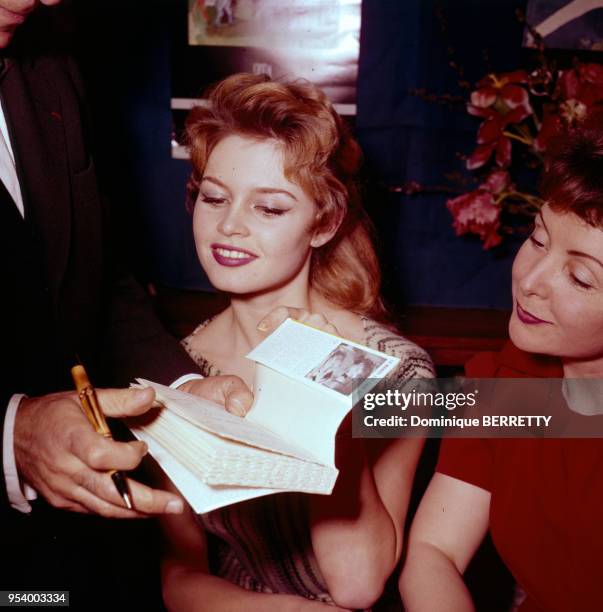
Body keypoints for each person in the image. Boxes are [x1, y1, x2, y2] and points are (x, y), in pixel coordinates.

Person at [0, 0, 253, 604]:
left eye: (270, 207)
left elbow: (98, 276)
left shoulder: (48, 68)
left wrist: (184, 391)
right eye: (213, 198)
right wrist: (12, 431)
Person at [159, 72, 435, 611]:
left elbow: (357, 585)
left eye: (269, 208)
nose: (229, 226)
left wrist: (325, 386)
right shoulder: (177, 365)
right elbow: (178, 580)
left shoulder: (399, 370)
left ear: (324, 222)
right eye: (214, 197)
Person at [399, 112, 603, 611]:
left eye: (579, 277)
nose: (530, 279)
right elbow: (433, 551)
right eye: (537, 239)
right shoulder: (514, 379)